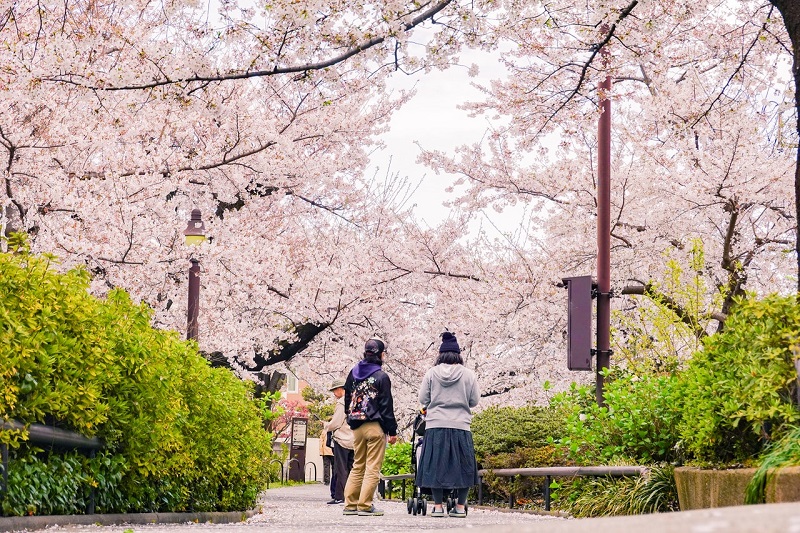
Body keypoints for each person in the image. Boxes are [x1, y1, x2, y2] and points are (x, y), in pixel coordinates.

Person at [416, 331, 480, 518]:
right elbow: (474, 400)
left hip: (435, 425)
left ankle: (437, 506)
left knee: (436, 465)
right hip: (461, 425)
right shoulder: (469, 375)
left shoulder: (431, 373)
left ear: (440, 355)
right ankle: (460, 507)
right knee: (464, 466)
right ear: (458, 354)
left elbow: (423, 399)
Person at [342, 337, 398, 517]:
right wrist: (392, 430)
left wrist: (349, 418)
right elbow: (386, 405)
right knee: (372, 467)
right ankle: (365, 505)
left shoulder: (353, 373)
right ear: (381, 355)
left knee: (358, 465)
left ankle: (350, 504)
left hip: (357, 426)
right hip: (374, 426)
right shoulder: (381, 376)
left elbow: (347, 398)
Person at [323, 377, 354, 504]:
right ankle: (352, 495)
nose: (334, 394)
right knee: (352, 468)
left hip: (342, 439)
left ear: (340, 389)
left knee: (340, 469)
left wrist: (326, 425)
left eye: (335, 391)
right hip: (354, 439)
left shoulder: (342, 402)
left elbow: (336, 423)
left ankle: (340, 496)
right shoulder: (354, 400)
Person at [318, 425, 334, 490]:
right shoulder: (335, 430)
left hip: (326, 451)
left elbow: (321, 441)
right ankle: (334, 480)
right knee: (334, 467)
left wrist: (321, 451)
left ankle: (327, 481)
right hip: (333, 452)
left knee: (326, 466)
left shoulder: (324, 431)